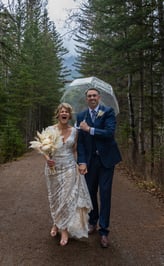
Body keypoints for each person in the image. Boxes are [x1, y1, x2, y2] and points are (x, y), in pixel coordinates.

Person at [76, 88, 122, 248]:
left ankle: (104, 231)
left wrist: (90, 129)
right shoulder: (81, 116)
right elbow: (80, 142)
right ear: (86, 99)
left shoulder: (107, 111)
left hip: (106, 160)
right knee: (90, 193)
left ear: (99, 97)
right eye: (89, 96)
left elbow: (109, 133)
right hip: (90, 162)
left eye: (94, 95)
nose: (92, 98)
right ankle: (93, 222)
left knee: (105, 193)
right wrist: (81, 161)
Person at [44, 103, 92, 246]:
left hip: (70, 167)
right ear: (58, 114)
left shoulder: (75, 132)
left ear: (69, 115)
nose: (64, 113)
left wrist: (81, 163)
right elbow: (44, 149)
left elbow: (76, 150)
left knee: (66, 199)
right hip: (53, 169)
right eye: (61, 111)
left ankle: (64, 229)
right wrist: (48, 160)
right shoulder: (49, 130)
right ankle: (56, 223)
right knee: (55, 199)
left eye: (67, 112)